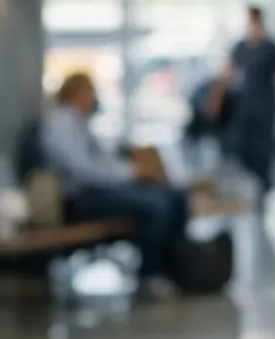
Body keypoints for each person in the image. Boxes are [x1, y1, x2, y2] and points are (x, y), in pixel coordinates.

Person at [40, 71, 188, 300]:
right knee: (155, 206)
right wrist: (129, 173)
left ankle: (174, 269)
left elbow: (104, 159)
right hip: (80, 197)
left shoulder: (80, 121)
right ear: (77, 93)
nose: (95, 97)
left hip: (103, 188)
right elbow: (84, 170)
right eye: (91, 92)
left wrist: (132, 171)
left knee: (175, 197)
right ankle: (149, 274)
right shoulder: (61, 123)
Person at [222, 7, 275, 203]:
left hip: (265, 104)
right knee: (241, 145)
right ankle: (257, 178)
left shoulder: (271, 48)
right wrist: (215, 99)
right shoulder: (240, 47)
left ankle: (264, 182)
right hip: (245, 104)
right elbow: (228, 73)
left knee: (263, 147)